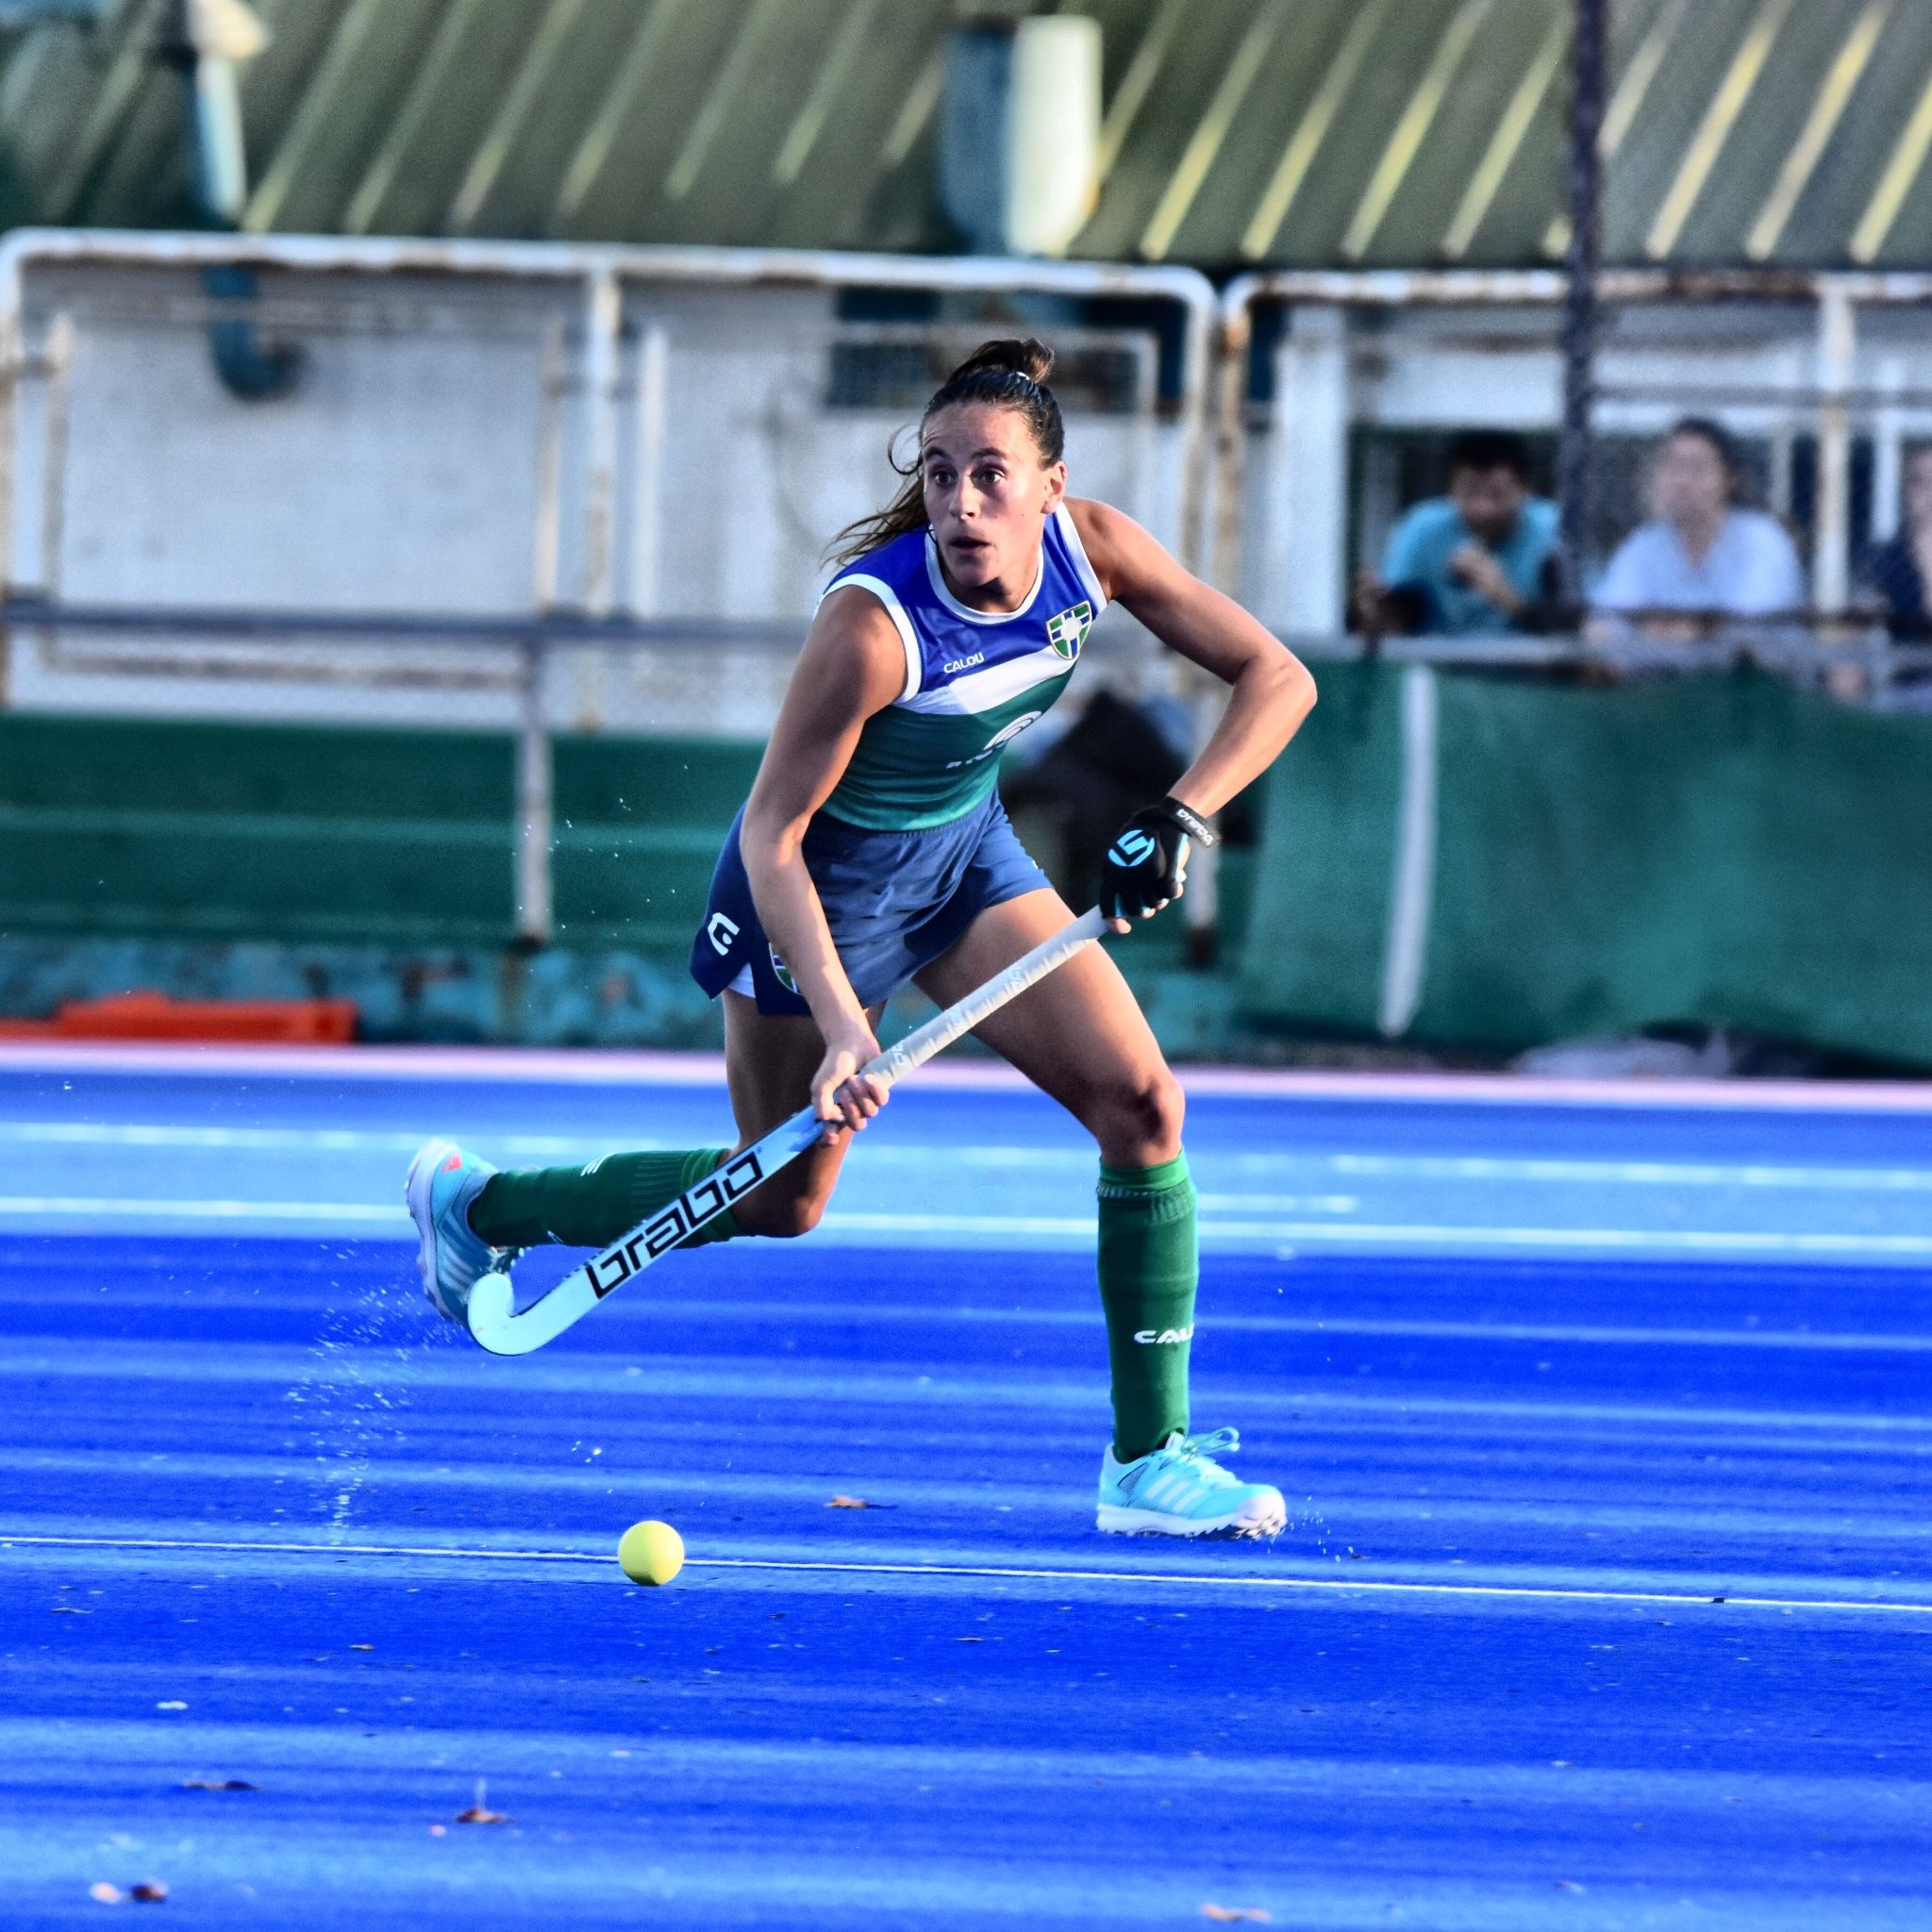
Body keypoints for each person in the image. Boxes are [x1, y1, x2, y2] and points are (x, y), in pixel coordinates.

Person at [406, 340, 1318, 1540]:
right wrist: (845, 1024)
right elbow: (775, 833)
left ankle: (1146, 1459)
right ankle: (482, 1205)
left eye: (991, 473)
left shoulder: (1089, 551)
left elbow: (1276, 676)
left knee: (1143, 1103)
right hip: (811, 900)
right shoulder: (874, 626)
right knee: (782, 1198)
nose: (962, 502)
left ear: (1050, 486)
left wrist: (1181, 813)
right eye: (939, 474)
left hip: (960, 863)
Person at [1591, 418, 1803, 633]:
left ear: (1730, 479)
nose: (1681, 481)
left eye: (1697, 468)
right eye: (1672, 466)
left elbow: (1746, 632)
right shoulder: (1643, 545)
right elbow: (1603, 627)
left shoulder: (1763, 539)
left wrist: (1661, 630)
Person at [1354, 429, 1560, 636]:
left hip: (1528, 666)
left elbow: (1574, 629)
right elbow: (1403, 617)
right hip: (1437, 666)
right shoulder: (1421, 527)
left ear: (1525, 490)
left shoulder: (1553, 530)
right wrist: (1377, 612)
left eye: (1496, 494)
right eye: (1470, 493)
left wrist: (1504, 595)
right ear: (1450, 489)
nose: (1483, 509)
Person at [1859, 443, 1932, 639]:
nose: (1930, 493)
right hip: (1907, 665)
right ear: (1906, 491)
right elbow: (1863, 615)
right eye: (1920, 482)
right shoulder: (1887, 558)